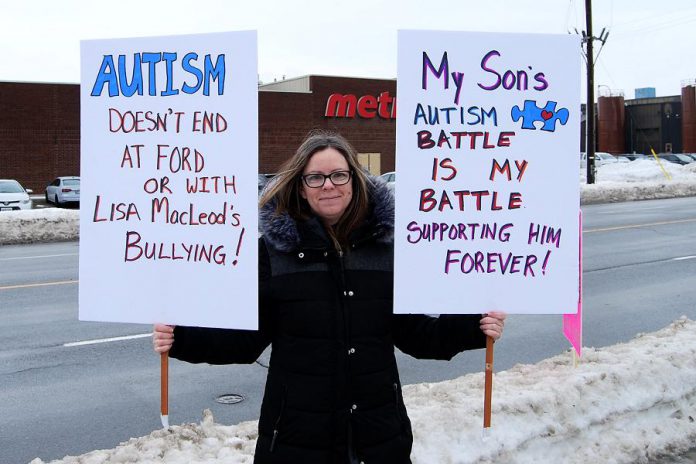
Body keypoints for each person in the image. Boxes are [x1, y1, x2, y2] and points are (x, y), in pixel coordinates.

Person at [153, 131, 506, 464]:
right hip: (297, 441)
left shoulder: (387, 252)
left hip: (378, 438)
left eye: (339, 175)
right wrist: (181, 339)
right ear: (301, 187)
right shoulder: (273, 255)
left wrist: (474, 326)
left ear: (354, 180)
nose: (328, 186)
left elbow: (418, 336)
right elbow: (244, 341)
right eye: (315, 178)